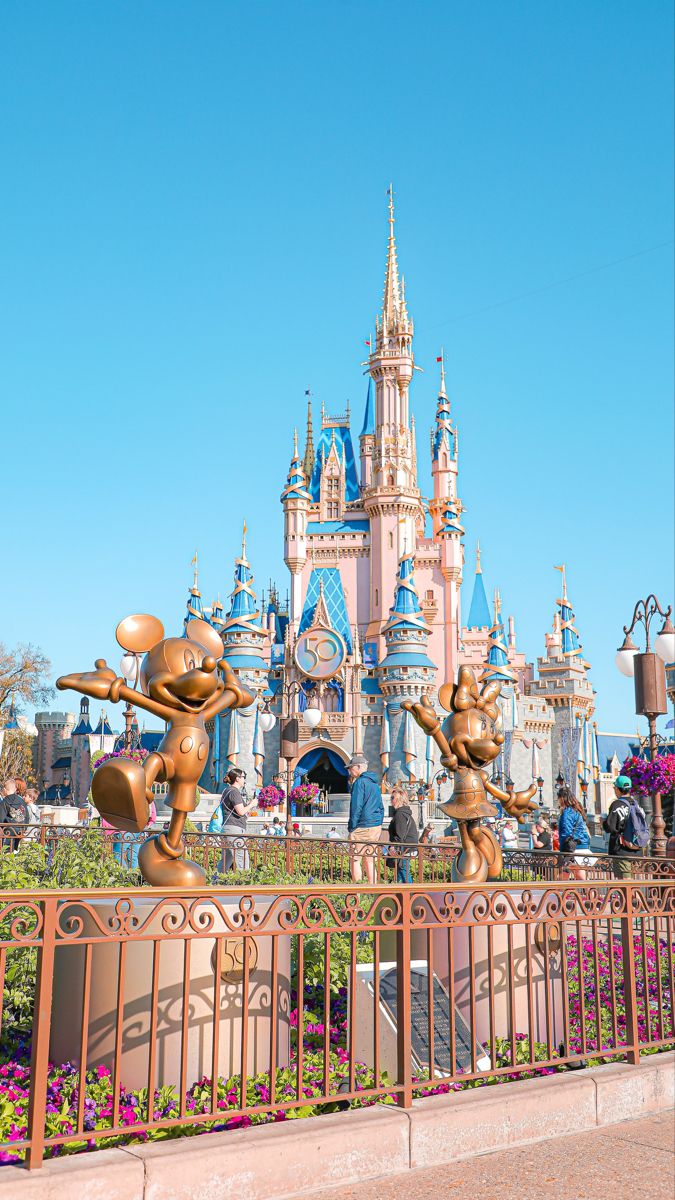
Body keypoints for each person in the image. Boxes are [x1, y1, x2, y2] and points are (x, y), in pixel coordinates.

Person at [347, 752, 384, 884]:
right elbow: (381, 807)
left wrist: (352, 826)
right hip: (374, 826)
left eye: (350, 768)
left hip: (362, 826)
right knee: (370, 859)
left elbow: (356, 807)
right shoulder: (375, 784)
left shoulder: (359, 783)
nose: (349, 771)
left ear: (357, 767)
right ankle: (372, 890)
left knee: (355, 859)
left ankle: (358, 892)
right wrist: (378, 823)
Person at [603, 775, 646, 879]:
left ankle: (632, 896)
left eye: (615, 788)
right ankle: (637, 896)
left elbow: (610, 827)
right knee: (633, 885)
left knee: (625, 882)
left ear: (618, 789)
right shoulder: (636, 805)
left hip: (622, 849)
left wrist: (603, 822)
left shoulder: (617, 804)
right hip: (637, 849)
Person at [217, 768, 257, 872]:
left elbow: (239, 812)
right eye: (244, 777)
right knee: (242, 859)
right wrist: (251, 804)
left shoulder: (227, 790)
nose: (245, 780)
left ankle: (216, 881)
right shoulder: (234, 792)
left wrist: (248, 809)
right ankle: (244, 885)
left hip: (228, 828)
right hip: (234, 829)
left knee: (227, 859)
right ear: (237, 778)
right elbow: (241, 811)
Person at [557, 785, 593, 880]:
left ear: (562, 798)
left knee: (573, 876)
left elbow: (566, 831)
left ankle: (591, 893)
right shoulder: (577, 811)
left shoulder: (567, 812)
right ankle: (589, 893)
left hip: (573, 847)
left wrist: (563, 843)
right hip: (582, 845)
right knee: (577, 875)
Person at [387, 786, 419, 883]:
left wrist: (393, 847)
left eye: (392, 798)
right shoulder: (403, 813)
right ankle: (401, 896)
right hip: (406, 848)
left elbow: (399, 834)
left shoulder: (400, 814)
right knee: (401, 875)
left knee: (404, 874)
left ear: (399, 800)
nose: (391, 800)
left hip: (404, 850)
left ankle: (411, 896)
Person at [0, 779, 29, 850]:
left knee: (6, 852)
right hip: (20, 829)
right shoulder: (21, 800)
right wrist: (24, 829)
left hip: (8, 830)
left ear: (5, 789)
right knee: (14, 852)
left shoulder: (5, 801)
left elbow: (1, 818)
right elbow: (27, 816)